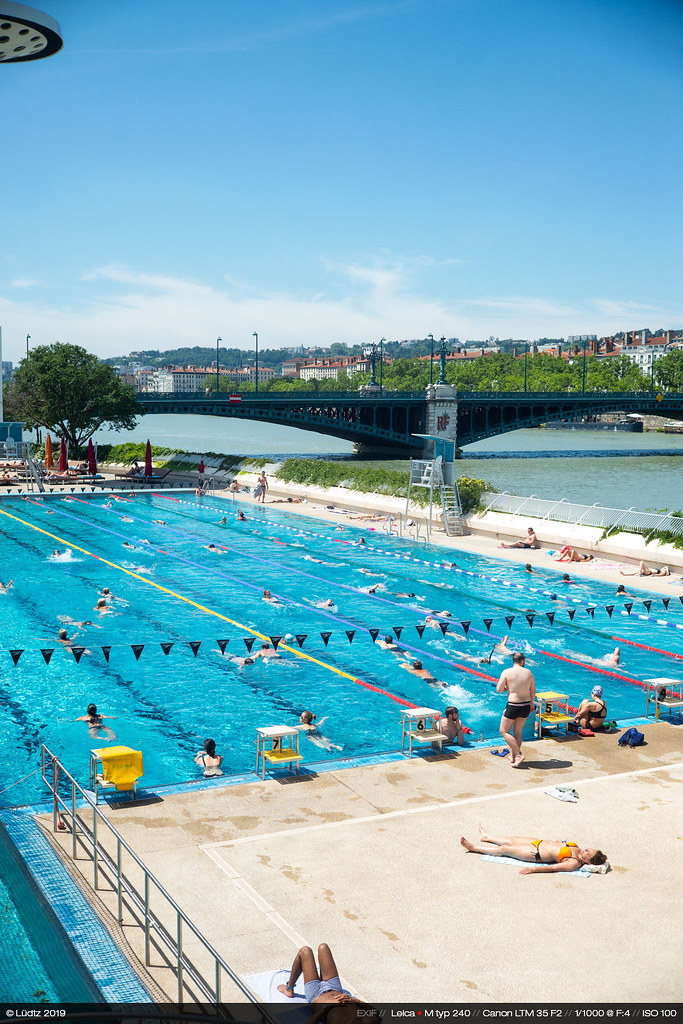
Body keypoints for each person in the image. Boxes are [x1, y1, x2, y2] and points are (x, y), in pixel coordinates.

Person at [460, 824, 607, 875]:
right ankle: (487, 837)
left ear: (588, 862)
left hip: (535, 854)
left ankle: (474, 848)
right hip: (539, 842)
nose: (586, 850)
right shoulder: (578, 849)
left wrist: (532, 870)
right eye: (589, 849)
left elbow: (553, 868)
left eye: (588, 853)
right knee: (512, 839)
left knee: (505, 849)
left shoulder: (574, 863)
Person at [278, 943, 364, 1015]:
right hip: (334, 988)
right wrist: (354, 1000)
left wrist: (325, 1007)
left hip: (316, 994)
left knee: (305, 951)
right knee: (323, 947)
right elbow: (374, 1011)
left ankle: (289, 988)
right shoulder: (368, 1019)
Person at [497, 651, 536, 767]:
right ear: (523, 661)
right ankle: (513, 756)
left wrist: (507, 688)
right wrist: (532, 703)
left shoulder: (507, 672)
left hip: (513, 705)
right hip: (525, 705)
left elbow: (499, 689)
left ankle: (518, 755)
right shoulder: (529, 673)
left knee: (503, 731)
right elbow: (533, 691)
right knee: (518, 732)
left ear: (513, 661)